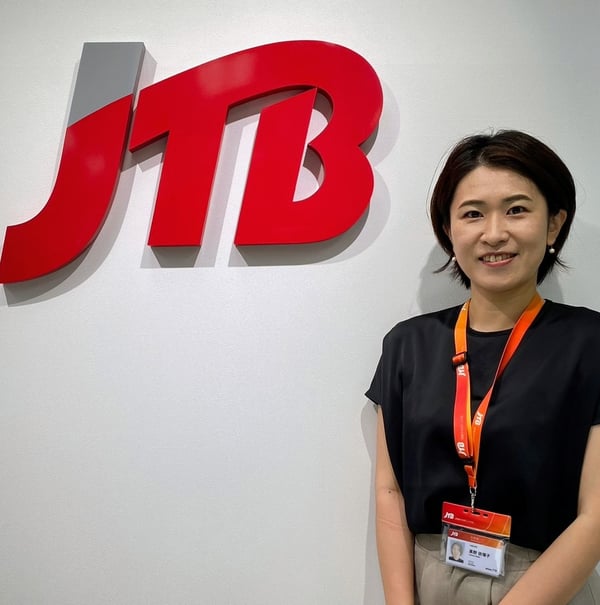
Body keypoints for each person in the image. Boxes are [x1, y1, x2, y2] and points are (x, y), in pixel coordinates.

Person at [366, 130, 600, 605]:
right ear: (449, 230)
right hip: (428, 575)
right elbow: (390, 492)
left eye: (517, 209)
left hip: (545, 584)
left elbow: (596, 514)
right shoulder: (407, 344)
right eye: (473, 213)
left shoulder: (589, 341)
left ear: (553, 225)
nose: (494, 233)